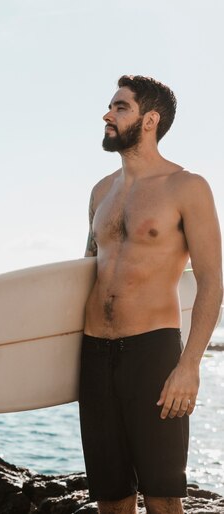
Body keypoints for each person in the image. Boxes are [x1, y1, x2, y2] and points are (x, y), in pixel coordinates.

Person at [79, 75, 223, 514]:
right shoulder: (101, 192)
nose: (108, 114)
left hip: (153, 352)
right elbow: (86, 273)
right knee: (111, 498)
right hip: (94, 354)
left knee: (163, 497)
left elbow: (213, 281)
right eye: (110, 106)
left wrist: (189, 366)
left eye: (120, 107)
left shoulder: (187, 187)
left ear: (150, 120)